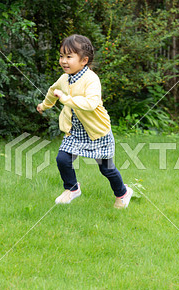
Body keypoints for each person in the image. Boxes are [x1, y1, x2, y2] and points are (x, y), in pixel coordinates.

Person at [37, 34, 133, 208]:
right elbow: (53, 91)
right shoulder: (64, 78)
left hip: (97, 131)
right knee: (62, 159)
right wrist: (45, 105)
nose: (63, 61)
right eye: (61, 56)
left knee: (107, 169)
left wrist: (65, 99)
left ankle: (123, 193)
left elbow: (90, 104)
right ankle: (72, 188)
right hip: (75, 131)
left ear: (84, 60)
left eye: (69, 56)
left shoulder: (91, 80)